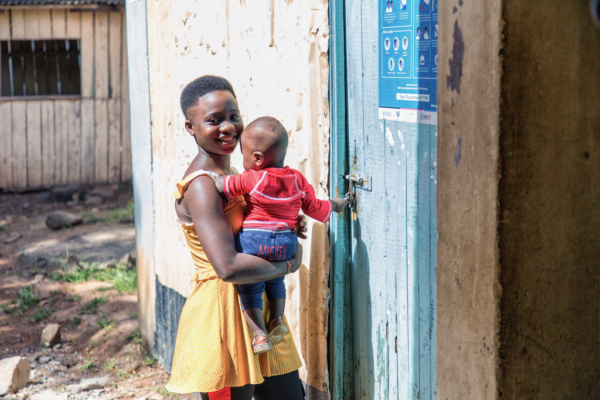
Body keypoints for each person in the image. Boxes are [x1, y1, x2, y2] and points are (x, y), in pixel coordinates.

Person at [166, 75, 307, 400]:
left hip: (258, 308)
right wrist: (287, 265)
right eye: (213, 120)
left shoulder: (234, 176)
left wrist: (280, 224)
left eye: (233, 116)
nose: (227, 127)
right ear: (191, 127)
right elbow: (227, 267)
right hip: (224, 316)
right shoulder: (201, 185)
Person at [215, 117, 347, 354]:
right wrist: (336, 205)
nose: (242, 160)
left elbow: (223, 187)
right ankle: (277, 319)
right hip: (286, 243)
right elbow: (315, 208)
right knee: (276, 279)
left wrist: (218, 179)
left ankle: (258, 335)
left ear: (257, 158)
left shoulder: (253, 178)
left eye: (243, 154)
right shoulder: (297, 179)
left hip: (253, 242)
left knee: (250, 286)